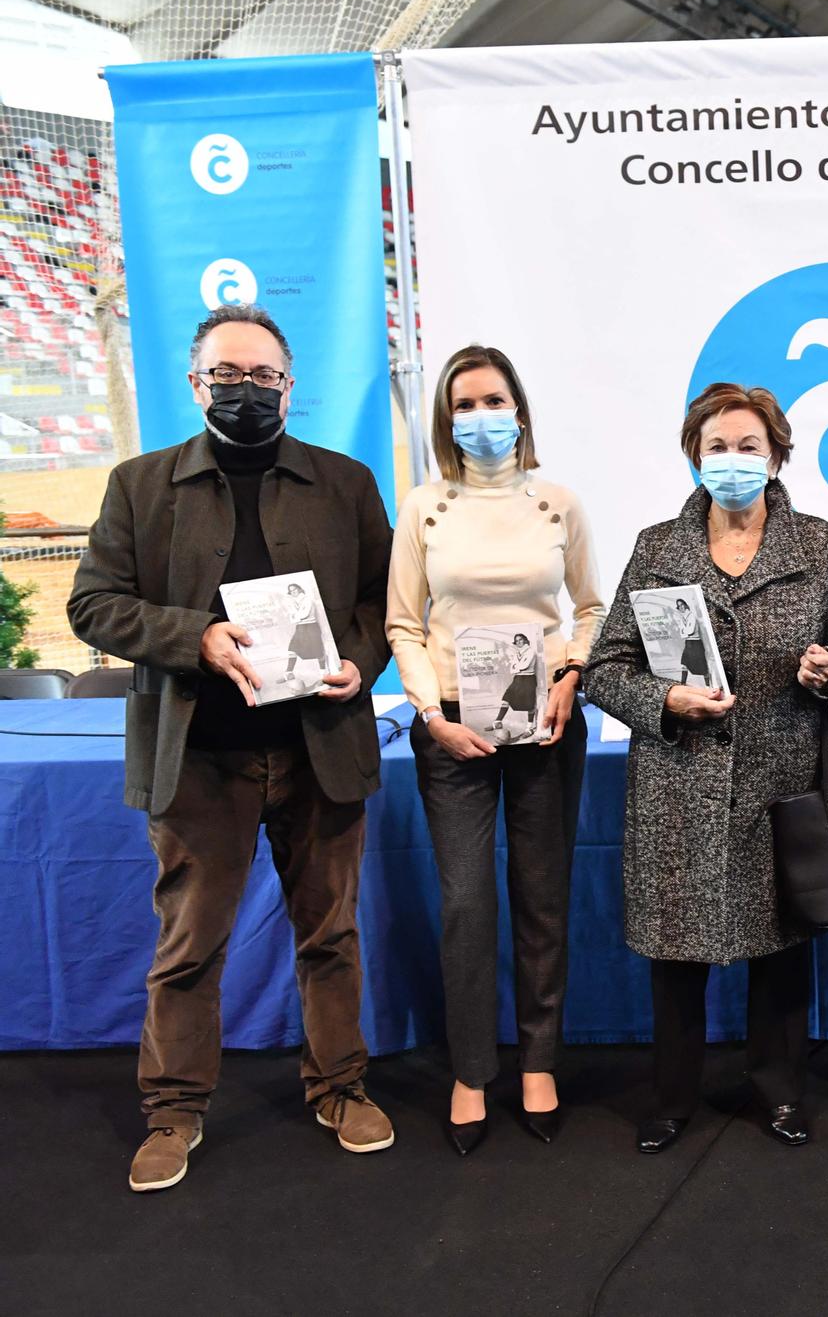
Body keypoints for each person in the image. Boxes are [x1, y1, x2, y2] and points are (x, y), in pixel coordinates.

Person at [67, 304, 395, 1192]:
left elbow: (381, 604)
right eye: (227, 374)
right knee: (190, 944)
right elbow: (92, 606)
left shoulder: (347, 482)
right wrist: (196, 637)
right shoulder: (140, 485)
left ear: (290, 385)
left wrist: (360, 664)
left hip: (319, 746)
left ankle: (340, 1086)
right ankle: (173, 1110)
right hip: (200, 755)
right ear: (195, 382)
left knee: (330, 934)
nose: (244, 389)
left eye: (262, 375)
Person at [588, 382, 828, 1153]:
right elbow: (605, 667)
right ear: (693, 456)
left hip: (780, 783)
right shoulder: (657, 548)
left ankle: (780, 1094)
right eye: (716, 446)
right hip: (676, 782)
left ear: (778, 455)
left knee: (780, 949)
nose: (733, 460)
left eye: (749, 445)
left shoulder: (820, 545)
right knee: (676, 954)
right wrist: (667, 698)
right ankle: (673, 1097)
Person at [385, 343, 604, 1154]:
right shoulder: (423, 509)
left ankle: (539, 1060)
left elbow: (590, 605)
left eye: (494, 400)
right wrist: (428, 712)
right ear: (447, 419)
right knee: (468, 904)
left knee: (544, 895)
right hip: (452, 729)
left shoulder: (559, 505)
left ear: (521, 408)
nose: (482, 417)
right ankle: (472, 1069)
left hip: (545, 725)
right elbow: (403, 623)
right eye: (465, 404)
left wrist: (571, 675)